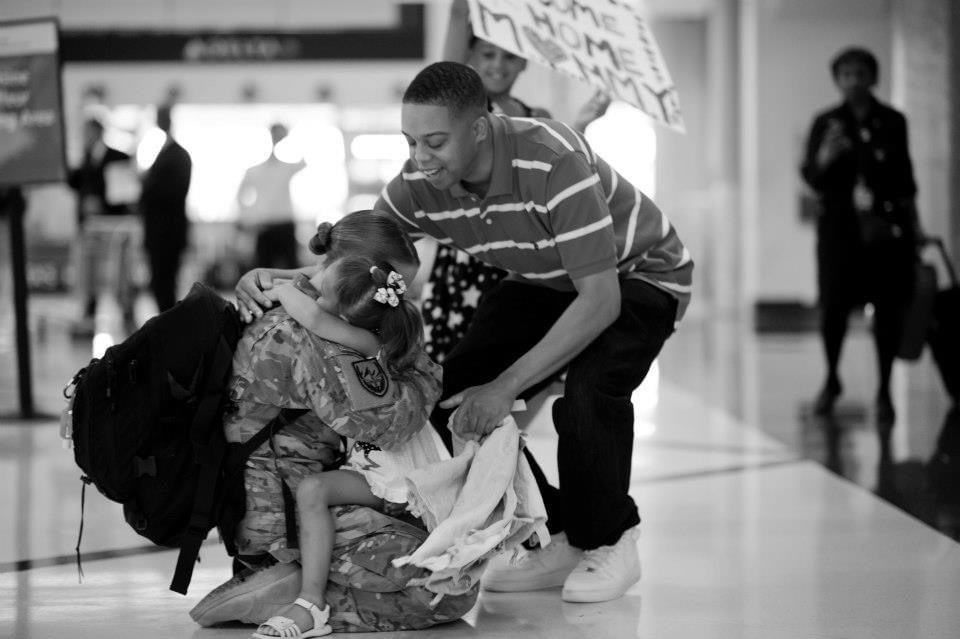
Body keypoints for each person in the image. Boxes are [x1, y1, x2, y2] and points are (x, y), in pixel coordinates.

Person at [240, 61, 692, 604]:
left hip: (639, 274)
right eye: (410, 142)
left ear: (480, 127)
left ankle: (610, 537)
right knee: (447, 393)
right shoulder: (419, 183)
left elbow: (600, 301)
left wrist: (505, 390)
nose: (419, 160)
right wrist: (284, 278)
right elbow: (362, 258)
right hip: (542, 279)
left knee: (590, 392)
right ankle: (561, 530)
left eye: (434, 142)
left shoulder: (553, 161)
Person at [226, 211, 477, 633]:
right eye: (390, 282)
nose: (393, 297)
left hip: (277, 503)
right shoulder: (318, 334)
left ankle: (292, 587)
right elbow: (391, 425)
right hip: (284, 520)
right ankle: (298, 597)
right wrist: (421, 368)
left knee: (440, 554)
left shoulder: (309, 303)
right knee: (447, 591)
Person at [251, 255, 447, 639]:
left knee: (312, 490)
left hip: (393, 477)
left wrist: (279, 285)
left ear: (348, 318)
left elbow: (314, 317)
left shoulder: (368, 341)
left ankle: (312, 602)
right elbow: (326, 300)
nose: (314, 290)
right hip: (385, 468)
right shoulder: (384, 334)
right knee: (314, 490)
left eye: (322, 292)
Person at [423, 0, 610, 363]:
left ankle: (507, 419)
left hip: (522, 260)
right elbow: (459, 15)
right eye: (487, 53)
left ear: (524, 61)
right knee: (457, 364)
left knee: (521, 360)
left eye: (508, 56)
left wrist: (583, 122)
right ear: (471, 55)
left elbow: (557, 168)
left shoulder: (536, 117)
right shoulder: (461, 107)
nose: (497, 64)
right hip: (468, 258)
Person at [801, 47, 921, 423]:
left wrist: (915, 229)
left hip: (885, 230)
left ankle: (885, 388)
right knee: (833, 307)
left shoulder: (893, 121)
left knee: (888, 309)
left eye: (860, 73)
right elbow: (811, 177)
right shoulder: (826, 122)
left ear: (873, 77)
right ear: (837, 80)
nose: (853, 80)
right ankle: (832, 378)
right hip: (839, 232)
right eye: (846, 74)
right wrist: (825, 157)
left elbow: (905, 180)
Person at [67, 118, 137, 334]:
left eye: (87, 132)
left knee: (120, 274)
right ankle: (89, 313)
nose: (84, 136)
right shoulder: (86, 158)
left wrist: (102, 203)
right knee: (90, 274)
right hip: (90, 229)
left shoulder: (118, 157)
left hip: (113, 226)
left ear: (98, 132)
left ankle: (127, 314)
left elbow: (124, 192)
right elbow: (74, 183)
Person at [139, 105, 192, 313]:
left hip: (167, 231)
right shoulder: (166, 152)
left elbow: (173, 192)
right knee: (160, 280)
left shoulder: (177, 155)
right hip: (159, 230)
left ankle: (168, 320)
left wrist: (146, 187)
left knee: (165, 280)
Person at [236, 123, 305, 271]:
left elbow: (303, 161)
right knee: (262, 270)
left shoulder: (286, 167)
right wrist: (250, 218)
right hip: (264, 226)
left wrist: (288, 141)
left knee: (291, 269)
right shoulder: (254, 170)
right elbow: (240, 197)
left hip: (285, 224)